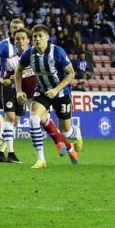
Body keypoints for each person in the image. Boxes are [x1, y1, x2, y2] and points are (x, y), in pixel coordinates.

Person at [14, 24, 80, 169]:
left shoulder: (58, 52)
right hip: (43, 92)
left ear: (47, 38)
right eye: (35, 37)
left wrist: (56, 90)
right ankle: (41, 160)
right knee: (33, 118)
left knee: (66, 132)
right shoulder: (29, 54)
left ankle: (76, 134)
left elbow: (71, 74)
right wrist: (18, 90)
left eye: (40, 36)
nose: (37, 39)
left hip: (61, 93)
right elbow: (18, 70)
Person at [0, 17, 27, 164]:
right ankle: (12, 154)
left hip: (21, 87)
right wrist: (0, 79)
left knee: (16, 120)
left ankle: (0, 152)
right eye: (14, 29)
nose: (17, 31)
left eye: (19, 28)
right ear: (10, 30)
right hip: (8, 85)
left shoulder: (26, 46)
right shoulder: (4, 45)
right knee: (10, 117)